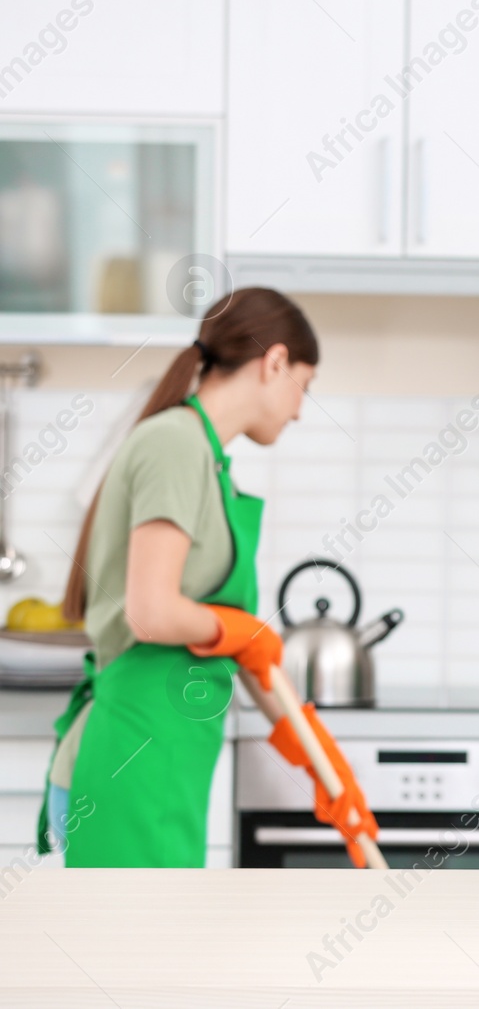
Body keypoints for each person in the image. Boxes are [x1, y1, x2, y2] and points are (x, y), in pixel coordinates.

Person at [37, 287, 377, 867]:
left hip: (165, 760)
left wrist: (319, 758)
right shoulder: (175, 444)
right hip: (130, 760)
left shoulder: (209, 461)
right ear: (274, 362)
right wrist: (244, 631)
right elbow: (152, 612)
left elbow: (240, 648)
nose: (299, 408)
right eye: (304, 384)